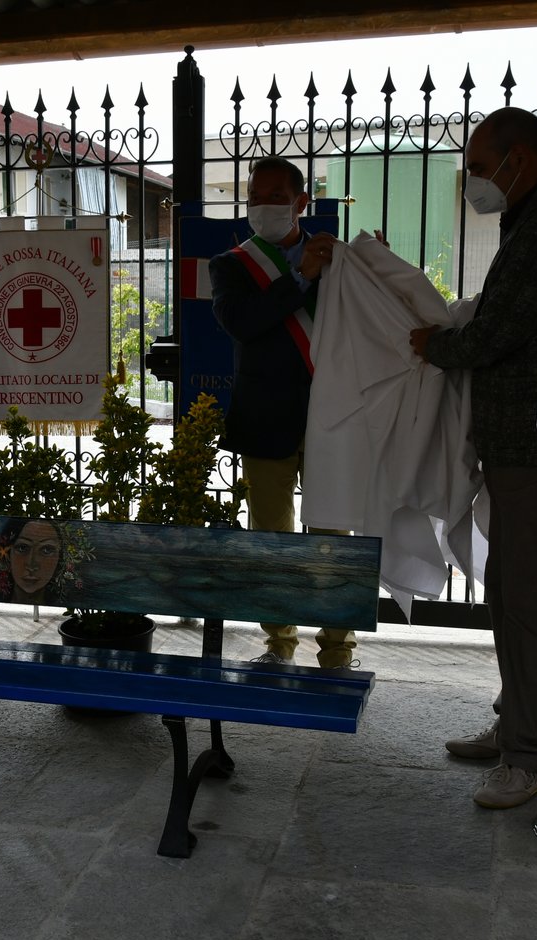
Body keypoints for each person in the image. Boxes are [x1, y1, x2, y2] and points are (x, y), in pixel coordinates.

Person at [408, 107, 537, 810]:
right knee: (508, 589)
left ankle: (527, 754)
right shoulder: (531, 216)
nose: (475, 181)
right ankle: (515, 726)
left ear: (518, 157)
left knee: (531, 596)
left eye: (478, 167)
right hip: (515, 441)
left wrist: (434, 344)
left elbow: (503, 328)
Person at [209, 155, 355, 669]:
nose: (263, 205)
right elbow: (244, 323)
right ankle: (279, 643)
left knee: (332, 537)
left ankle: (338, 648)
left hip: (331, 415)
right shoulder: (231, 264)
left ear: (301, 203)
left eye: (275, 196)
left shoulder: (336, 259)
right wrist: (299, 278)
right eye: (255, 196)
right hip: (265, 417)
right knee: (272, 537)